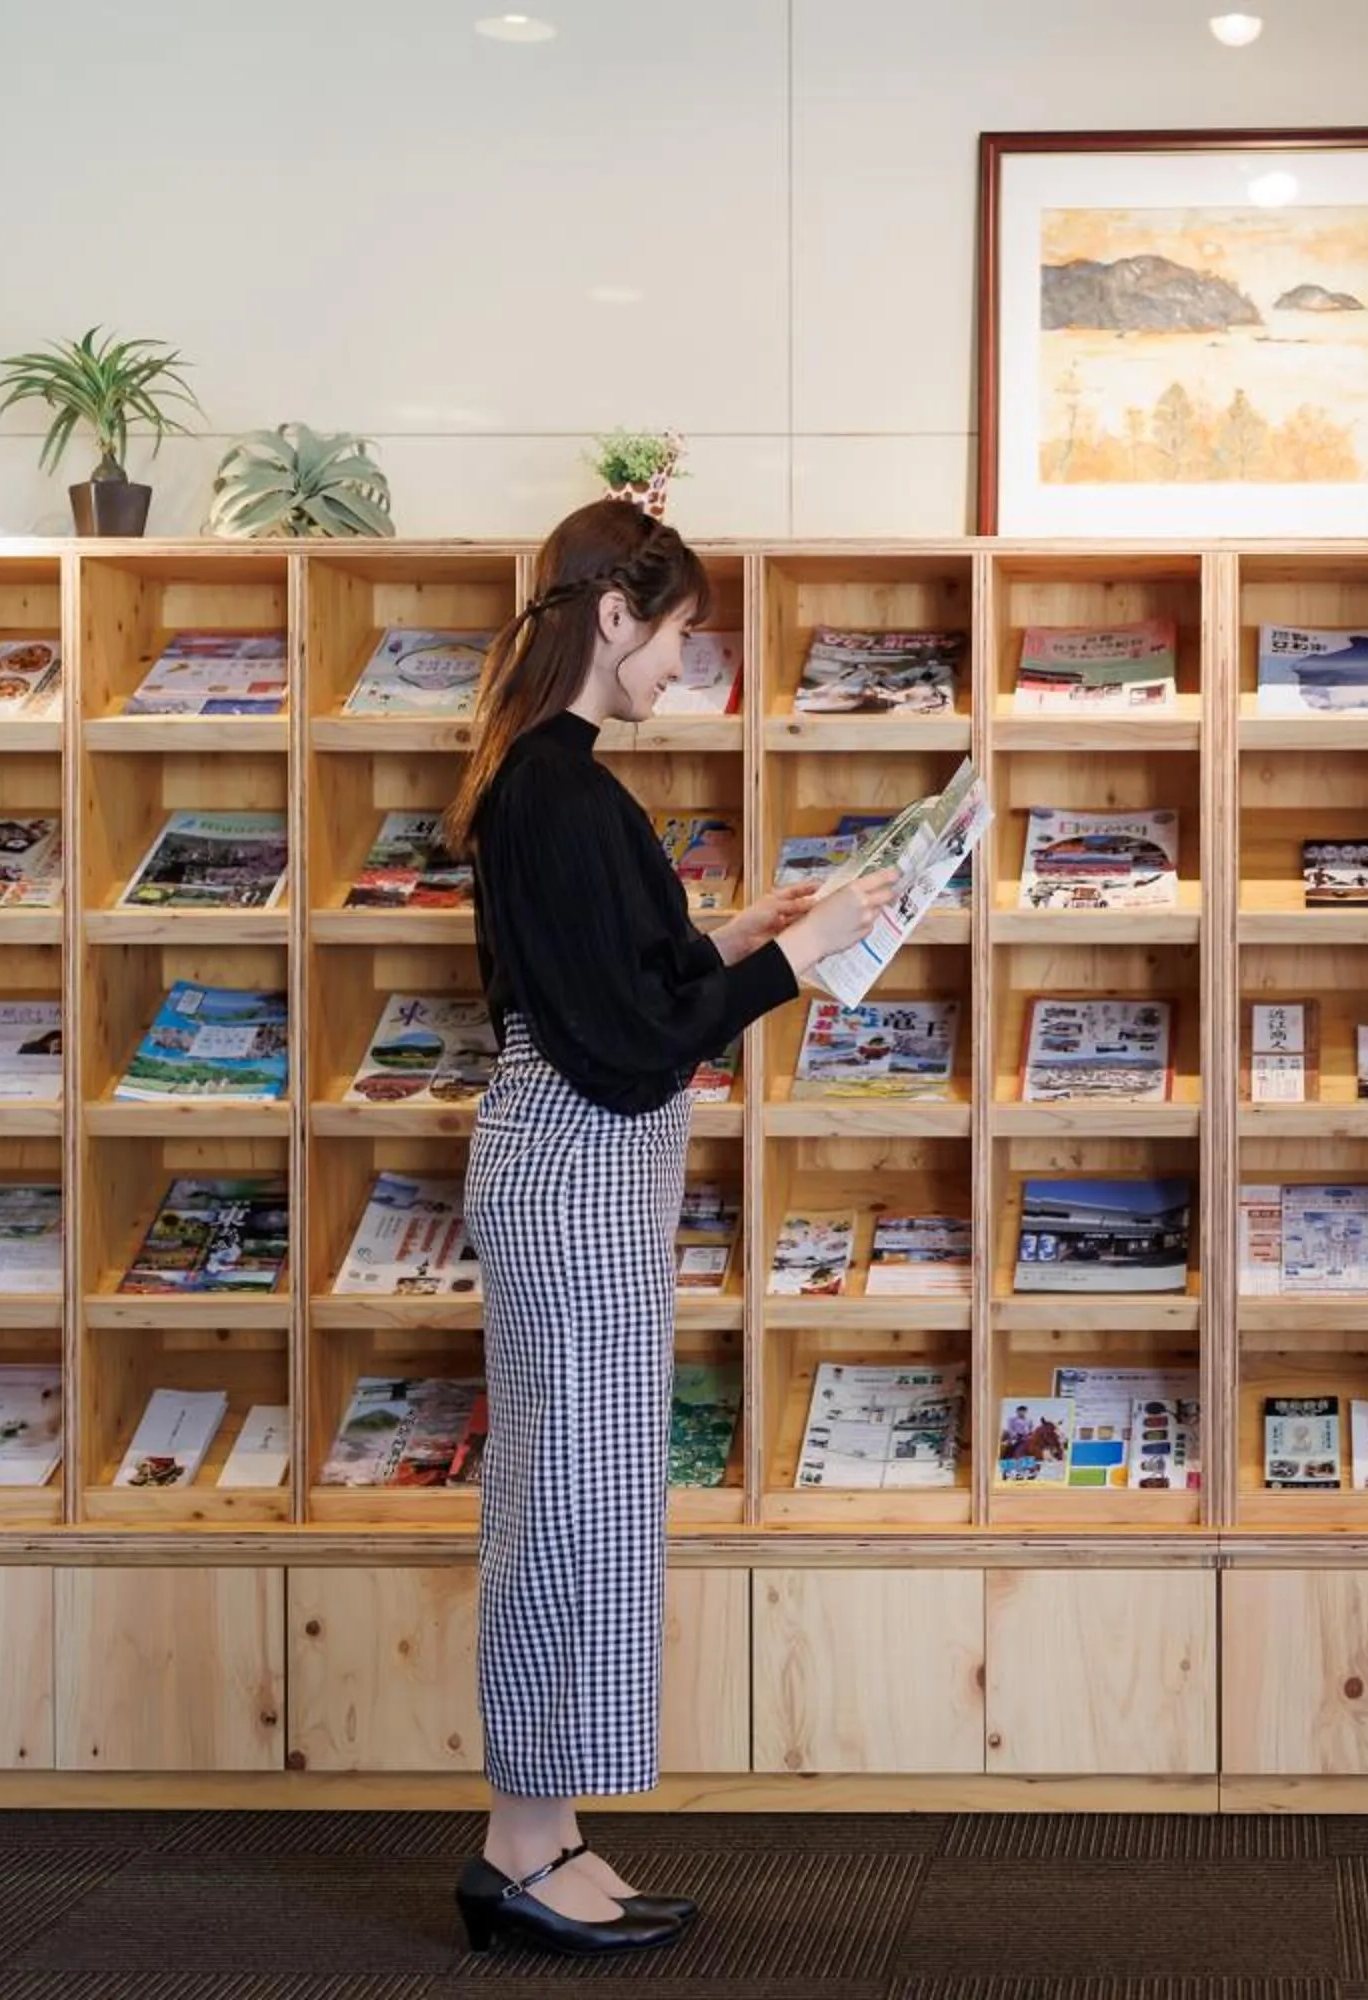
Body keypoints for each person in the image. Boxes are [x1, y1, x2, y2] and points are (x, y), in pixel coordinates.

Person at [440, 500, 893, 1956]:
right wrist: (797, 967)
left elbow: (612, 983)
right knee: (570, 1506)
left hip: (582, 1163)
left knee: (590, 1497)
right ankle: (520, 1849)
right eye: (682, 632)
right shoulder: (556, 793)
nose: (685, 665)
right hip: (577, 1160)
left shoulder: (551, 781)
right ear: (617, 618)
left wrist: (736, 936)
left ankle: (550, 1831)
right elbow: (626, 1041)